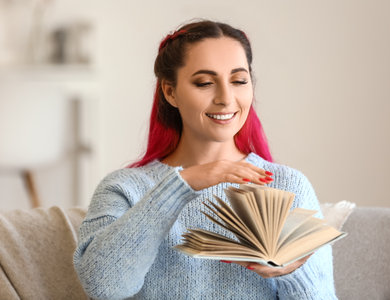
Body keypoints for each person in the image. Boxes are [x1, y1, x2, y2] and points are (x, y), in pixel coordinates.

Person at [73, 20, 338, 299]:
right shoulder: (125, 188)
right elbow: (103, 286)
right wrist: (182, 184)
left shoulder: (286, 185)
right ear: (170, 92)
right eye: (205, 83)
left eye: (238, 81)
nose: (226, 98)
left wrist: (293, 271)